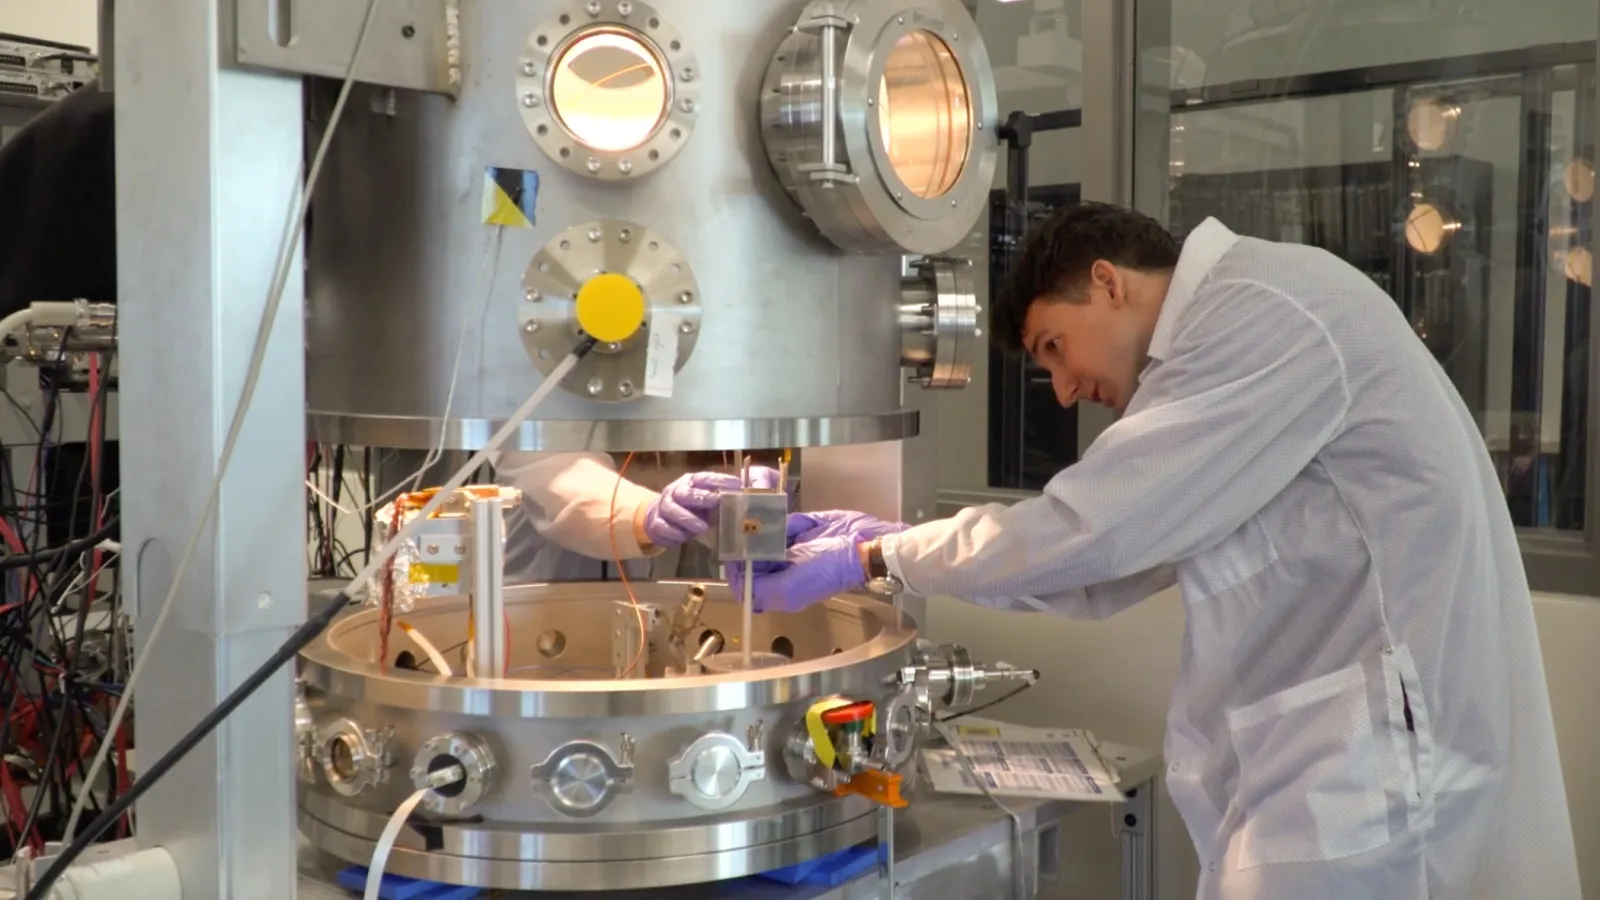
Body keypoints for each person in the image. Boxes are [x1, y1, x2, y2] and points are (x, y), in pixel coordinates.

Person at [737, 203, 1581, 898]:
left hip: (1368, 774)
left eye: (1054, 349)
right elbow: (1107, 563)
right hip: (1331, 752)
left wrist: (883, 561)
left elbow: (1096, 527)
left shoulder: (1266, 308)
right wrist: (893, 546)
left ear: (1107, 284)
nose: (1064, 390)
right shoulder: (1238, 328)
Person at [0, 82, 768, 582]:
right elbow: (532, 438)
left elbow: (536, 449)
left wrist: (639, 512)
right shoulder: (145, 141)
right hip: (85, 426)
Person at [493, 450, 778, 582]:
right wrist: (641, 513)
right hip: (551, 581)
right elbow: (545, 466)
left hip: (676, 581)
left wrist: (738, 504)